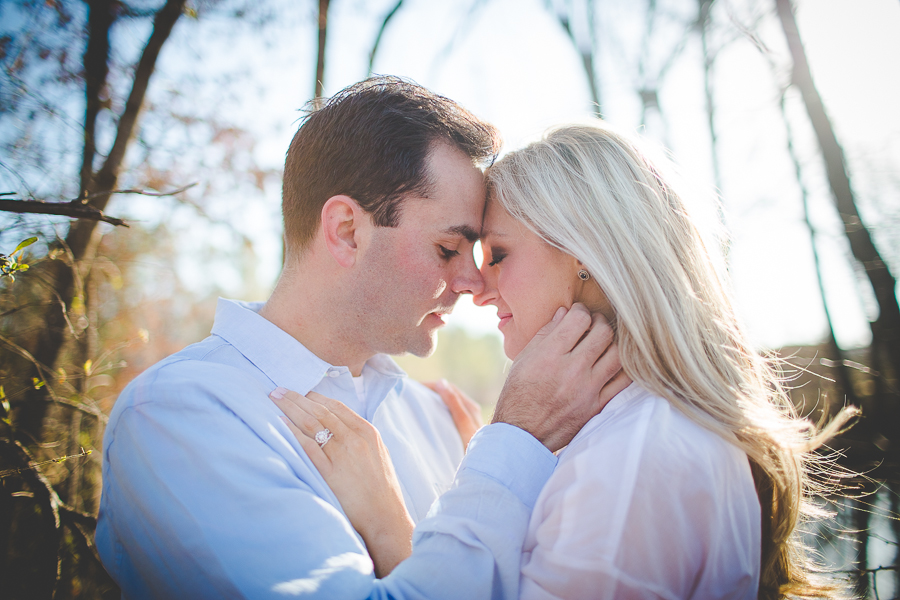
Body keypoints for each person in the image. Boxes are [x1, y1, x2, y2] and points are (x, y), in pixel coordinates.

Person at [95, 78, 628, 599]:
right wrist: (516, 442)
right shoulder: (180, 415)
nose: (474, 283)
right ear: (347, 230)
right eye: (448, 249)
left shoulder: (439, 420)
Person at [278, 122, 857, 599]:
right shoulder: (631, 433)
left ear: (585, 254)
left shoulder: (635, 456)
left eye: (498, 254)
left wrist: (389, 526)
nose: (477, 288)